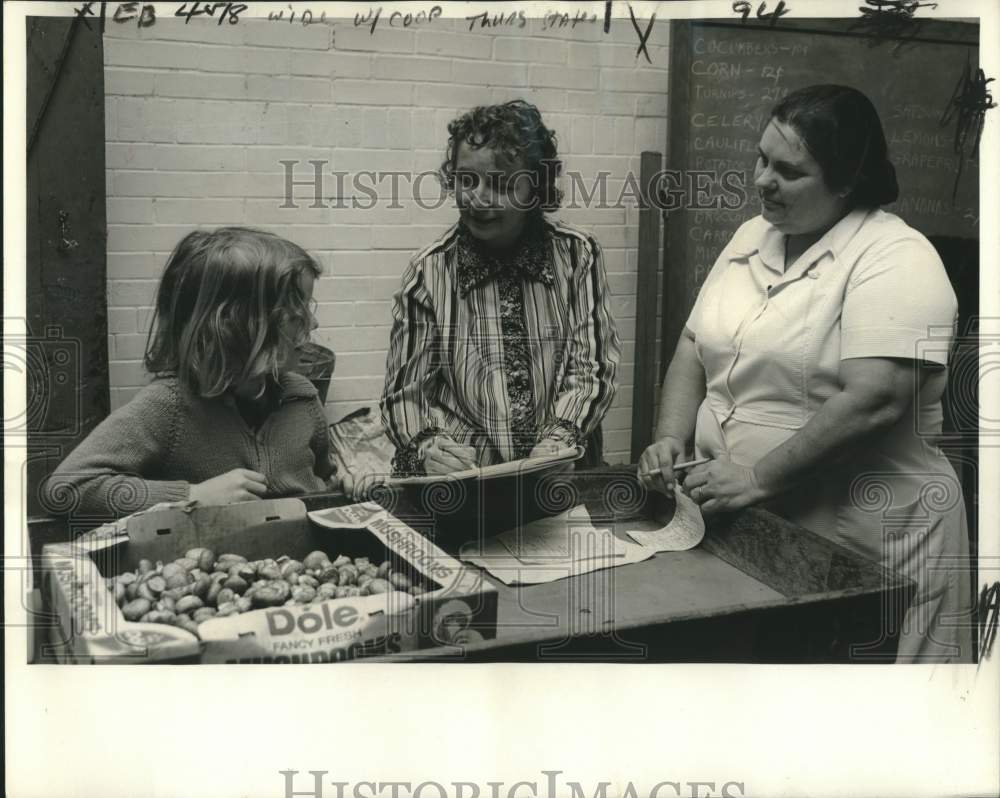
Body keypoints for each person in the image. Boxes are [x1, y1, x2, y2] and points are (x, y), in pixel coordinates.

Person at [639, 85, 972, 663]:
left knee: (877, 724)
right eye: (761, 159)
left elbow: (877, 399)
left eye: (789, 170)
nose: (763, 180)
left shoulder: (897, 256)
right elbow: (695, 344)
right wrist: (671, 436)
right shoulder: (753, 235)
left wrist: (757, 478)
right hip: (765, 532)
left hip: (867, 536)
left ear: (847, 181)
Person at [378, 100, 622, 477]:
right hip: (468, 485)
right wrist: (429, 446)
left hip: (559, 475)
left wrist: (559, 439)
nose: (478, 198)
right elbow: (404, 394)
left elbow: (593, 368)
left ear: (536, 184)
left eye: (500, 183)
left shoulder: (577, 255)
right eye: (466, 180)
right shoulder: (428, 272)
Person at [43, 227, 336, 518]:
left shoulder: (303, 398)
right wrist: (192, 496)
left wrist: (341, 484)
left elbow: (324, 474)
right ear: (237, 326)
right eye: (296, 311)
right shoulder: (169, 407)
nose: (313, 324)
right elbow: (63, 490)